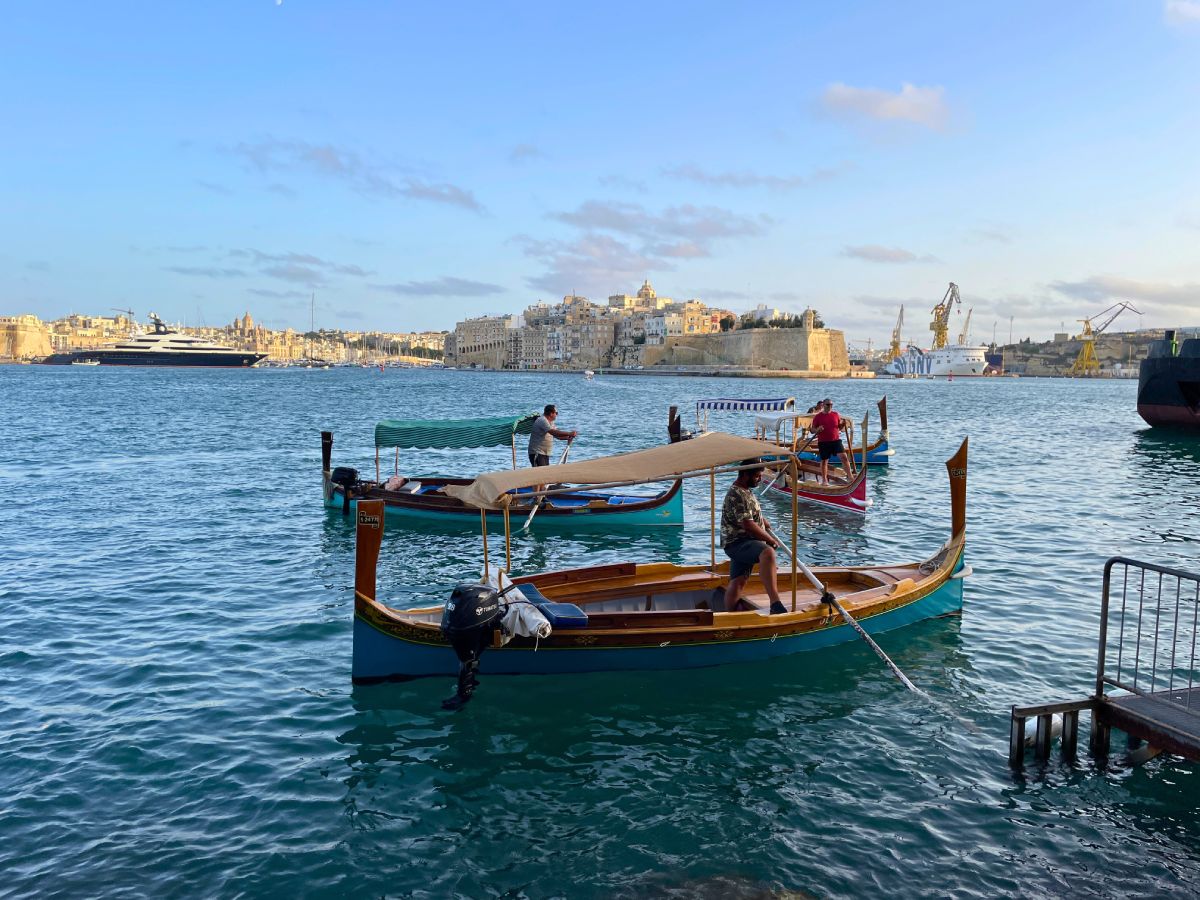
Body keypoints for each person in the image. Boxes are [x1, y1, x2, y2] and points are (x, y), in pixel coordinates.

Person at [720, 459, 788, 615]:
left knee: (738, 581)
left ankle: (730, 616)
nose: (759, 479)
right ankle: (775, 603)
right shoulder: (736, 493)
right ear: (745, 474)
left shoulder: (744, 491)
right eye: (757, 476)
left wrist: (762, 521)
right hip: (739, 542)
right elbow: (748, 524)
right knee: (768, 553)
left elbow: (748, 515)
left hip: (742, 542)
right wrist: (770, 540)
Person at [527, 404, 578, 503]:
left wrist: (568, 438)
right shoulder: (542, 420)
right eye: (556, 413)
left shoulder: (551, 422)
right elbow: (553, 432)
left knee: (545, 476)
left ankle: (542, 497)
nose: (557, 415)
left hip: (545, 453)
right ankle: (535, 498)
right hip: (537, 452)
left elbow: (557, 435)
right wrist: (569, 433)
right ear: (551, 413)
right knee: (538, 475)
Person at [811, 398, 852, 485]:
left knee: (844, 457)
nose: (830, 406)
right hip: (823, 442)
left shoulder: (836, 414)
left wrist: (843, 424)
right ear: (823, 405)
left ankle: (850, 477)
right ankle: (824, 480)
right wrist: (817, 429)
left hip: (836, 441)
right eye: (828, 405)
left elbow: (839, 428)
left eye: (831, 405)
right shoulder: (818, 417)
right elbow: (812, 430)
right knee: (825, 461)